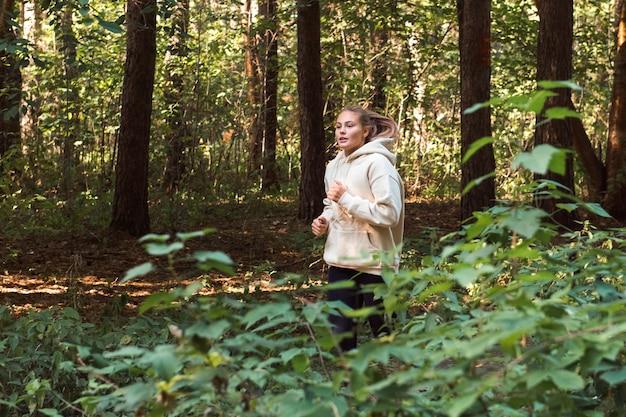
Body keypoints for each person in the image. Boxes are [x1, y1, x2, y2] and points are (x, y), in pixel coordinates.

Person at [311, 105, 405, 352]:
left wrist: (346, 199)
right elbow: (332, 206)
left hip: (375, 264)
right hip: (340, 261)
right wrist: (324, 220)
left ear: (365, 131)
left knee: (384, 335)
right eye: (338, 126)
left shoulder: (378, 164)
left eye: (349, 126)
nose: (342, 131)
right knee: (340, 337)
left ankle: (402, 384)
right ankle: (345, 388)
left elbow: (390, 214)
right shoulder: (334, 166)